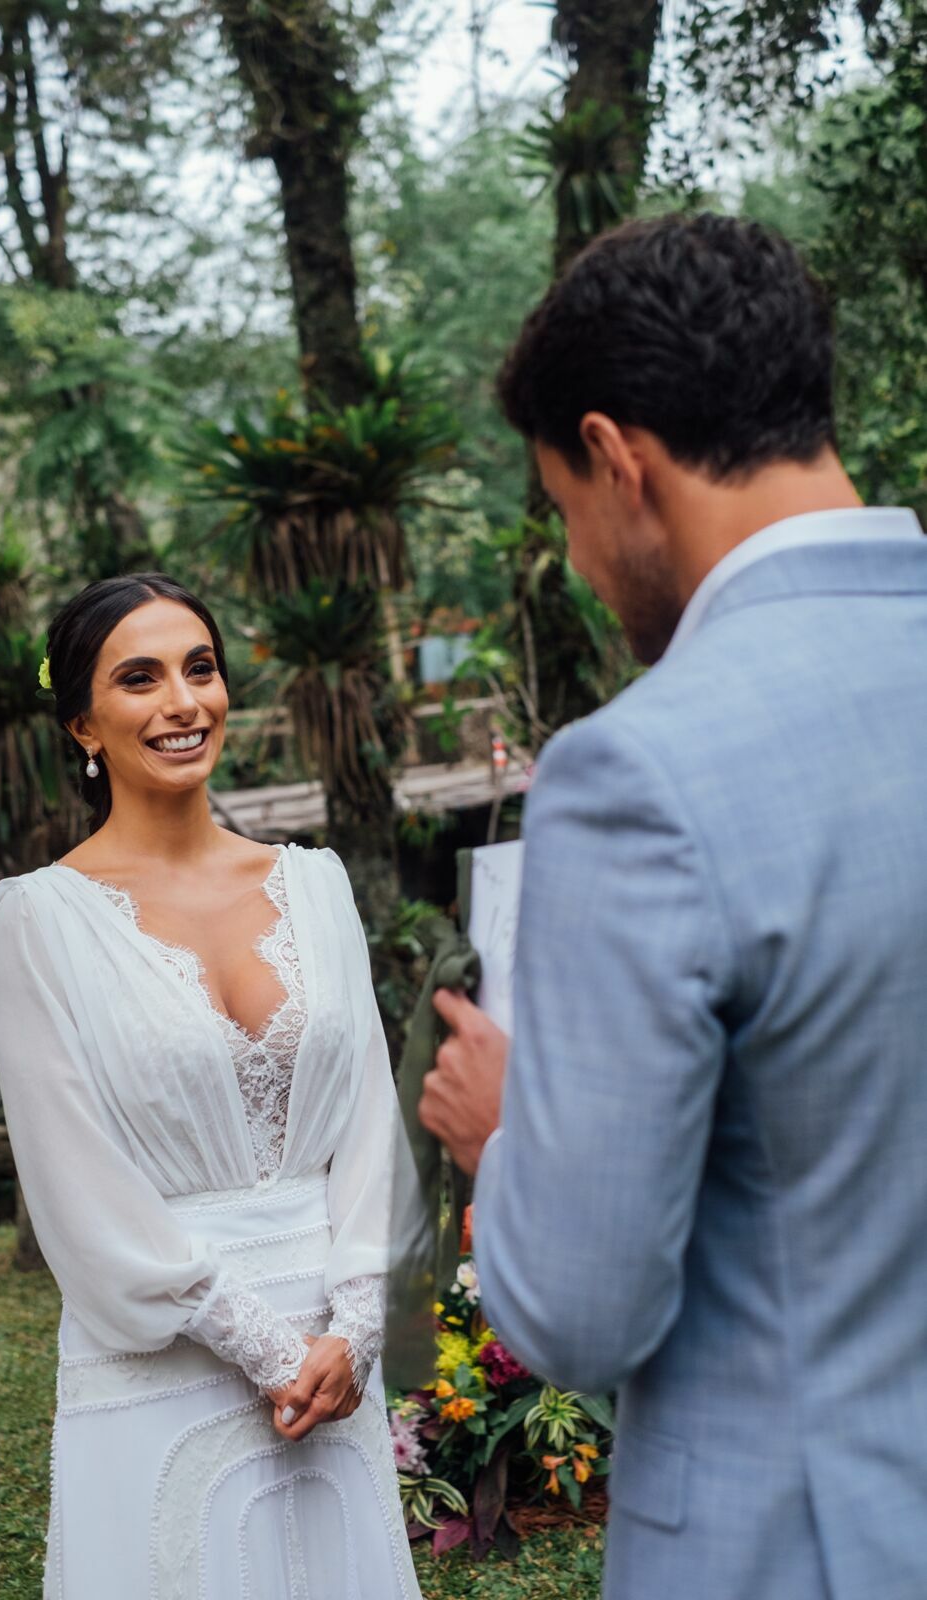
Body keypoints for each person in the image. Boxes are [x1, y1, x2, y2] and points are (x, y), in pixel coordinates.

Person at [418, 212, 927, 1600]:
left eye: (564, 512)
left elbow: (580, 1312)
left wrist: (507, 1131)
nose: (582, 566)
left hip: (799, 1548)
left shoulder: (639, 773)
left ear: (613, 459)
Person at [0, 572, 423, 1600]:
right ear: (83, 722)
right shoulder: (34, 923)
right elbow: (71, 1177)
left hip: (330, 1351)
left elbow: (364, 1121)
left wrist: (353, 1325)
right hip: (167, 1356)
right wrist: (263, 1347)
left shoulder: (316, 885)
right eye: (140, 678)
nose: (183, 702)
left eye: (200, 667)